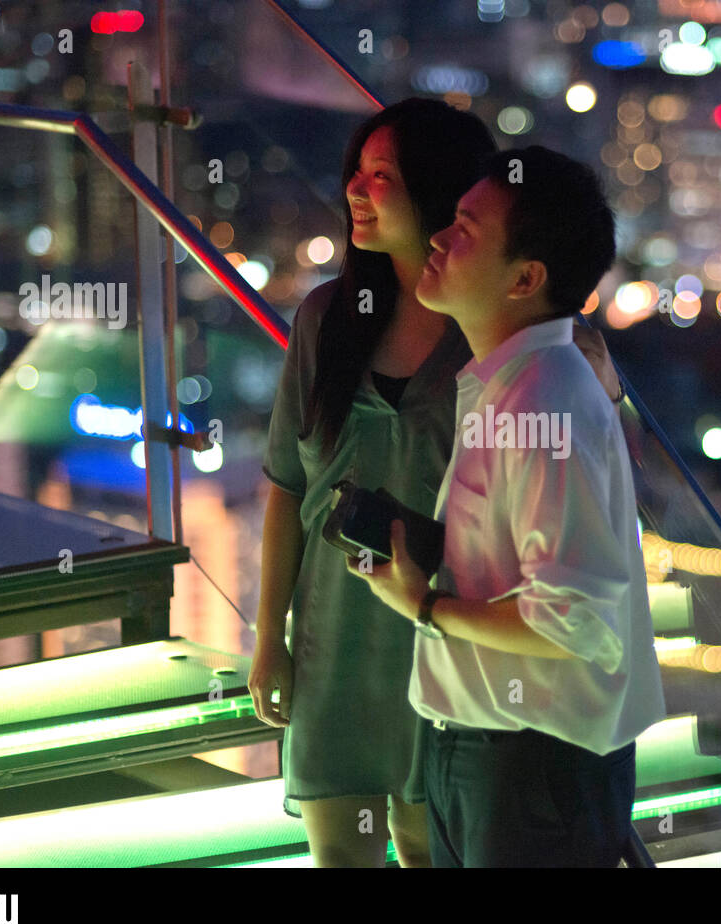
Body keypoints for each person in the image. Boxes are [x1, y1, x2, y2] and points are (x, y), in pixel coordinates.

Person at [250, 101, 622, 867]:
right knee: (339, 853)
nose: (356, 188)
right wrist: (268, 638)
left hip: (447, 630)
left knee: (431, 850)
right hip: (336, 635)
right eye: (356, 170)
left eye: (382, 175)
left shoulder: (490, 333)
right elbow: (286, 487)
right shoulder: (327, 320)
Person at [349, 146, 666, 867]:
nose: (438, 238)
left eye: (465, 228)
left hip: (527, 765)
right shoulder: (517, 384)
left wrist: (424, 606)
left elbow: (573, 616)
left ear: (525, 278)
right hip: (499, 752)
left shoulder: (542, 399)